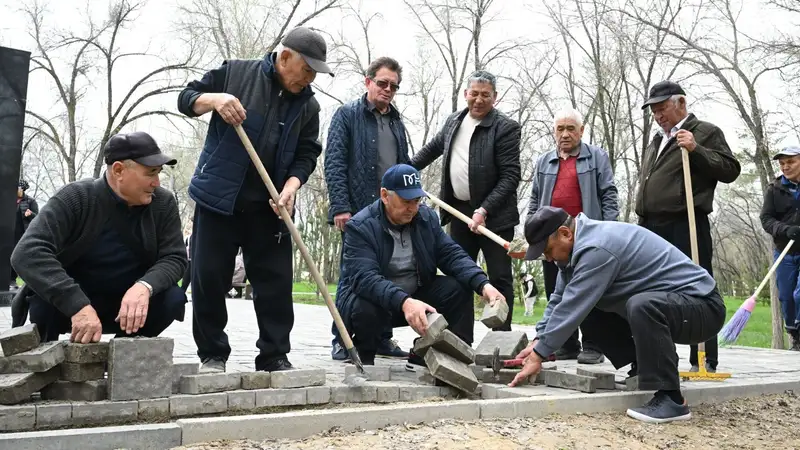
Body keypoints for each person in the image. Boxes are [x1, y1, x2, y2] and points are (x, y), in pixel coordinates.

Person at [177, 27, 332, 373]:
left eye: (315, 74)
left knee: (275, 283)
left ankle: (274, 355)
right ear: (286, 56)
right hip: (220, 199)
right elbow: (187, 98)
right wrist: (215, 100)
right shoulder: (235, 73)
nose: (309, 80)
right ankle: (213, 354)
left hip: (270, 205)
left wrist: (292, 186)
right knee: (209, 279)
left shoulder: (309, 106)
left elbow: (308, 153)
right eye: (307, 70)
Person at [509, 206, 725, 424]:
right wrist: (538, 341)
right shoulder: (574, 252)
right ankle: (644, 368)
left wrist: (538, 355)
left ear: (566, 233)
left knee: (640, 305)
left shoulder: (597, 248)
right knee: (596, 306)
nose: (547, 258)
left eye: (547, 250)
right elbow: (559, 300)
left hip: (702, 307)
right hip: (673, 306)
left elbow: (572, 306)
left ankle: (672, 399)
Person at [10, 131, 188, 343]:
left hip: (128, 307)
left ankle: (123, 357)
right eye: (150, 173)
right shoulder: (75, 198)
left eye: (159, 173)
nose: (157, 182)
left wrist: (145, 286)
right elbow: (26, 253)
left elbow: (175, 257)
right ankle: (48, 361)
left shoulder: (162, 203)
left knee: (173, 298)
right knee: (42, 299)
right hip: (73, 303)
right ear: (119, 170)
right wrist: (77, 304)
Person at [335, 164, 506, 367]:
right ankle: (363, 355)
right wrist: (404, 302)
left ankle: (446, 354)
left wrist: (483, 284)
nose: (413, 209)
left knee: (459, 288)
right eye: (406, 202)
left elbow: (451, 254)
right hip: (378, 304)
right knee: (365, 305)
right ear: (384, 195)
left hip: (415, 297)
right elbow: (366, 279)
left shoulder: (426, 218)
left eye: (416, 201)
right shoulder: (360, 227)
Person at [635, 80, 741, 373]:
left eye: (662, 108)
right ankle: (660, 360)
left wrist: (695, 149)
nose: (658, 115)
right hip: (651, 225)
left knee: (697, 287)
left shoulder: (706, 132)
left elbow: (730, 170)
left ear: (680, 103)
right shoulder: (657, 138)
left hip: (686, 224)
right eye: (654, 111)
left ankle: (704, 359)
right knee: (651, 289)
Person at [411, 70, 521, 331]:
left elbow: (510, 176)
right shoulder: (453, 122)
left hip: (495, 217)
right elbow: (433, 149)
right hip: (459, 214)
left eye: (486, 95)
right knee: (458, 275)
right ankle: (459, 337)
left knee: (499, 277)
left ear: (495, 98)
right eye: (474, 94)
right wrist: (406, 170)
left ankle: (501, 338)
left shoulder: (506, 128)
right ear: (465, 94)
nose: (479, 100)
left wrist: (484, 209)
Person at [325, 57, 411, 361]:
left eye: (393, 86)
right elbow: (334, 162)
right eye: (382, 83)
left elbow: (405, 165)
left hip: (391, 212)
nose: (387, 90)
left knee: (386, 275)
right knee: (350, 277)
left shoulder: (397, 122)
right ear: (368, 82)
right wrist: (340, 207)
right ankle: (342, 338)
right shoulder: (347, 115)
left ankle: (380, 338)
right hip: (357, 211)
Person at [528, 107, 618, 364]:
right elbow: (535, 199)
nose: (565, 134)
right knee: (556, 290)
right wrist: (533, 232)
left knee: (590, 290)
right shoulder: (544, 161)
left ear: (581, 131)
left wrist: (608, 231)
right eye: (560, 129)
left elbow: (609, 195)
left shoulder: (597, 157)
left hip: (586, 238)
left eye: (571, 129)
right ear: (554, 131)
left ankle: (593, 344)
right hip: (552, 238)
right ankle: (566, 344)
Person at [760, 146, 800, 351]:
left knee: (799, 295)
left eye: (790, 162)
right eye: (782, 163)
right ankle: (794, 334)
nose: (786, 166)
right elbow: (766, 219)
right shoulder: (774, 189)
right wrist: (786, 230)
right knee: (786, 296)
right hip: (784, 250)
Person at [10, 180, 38, 290]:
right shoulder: (8, 200)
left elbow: (38, 218)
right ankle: (9, 280)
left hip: (22, 234)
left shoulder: (30, 201)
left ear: (23, 189)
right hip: (9, 234)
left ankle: (19, 280)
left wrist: (30, 214)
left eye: (19, 189)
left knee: (18, 257)